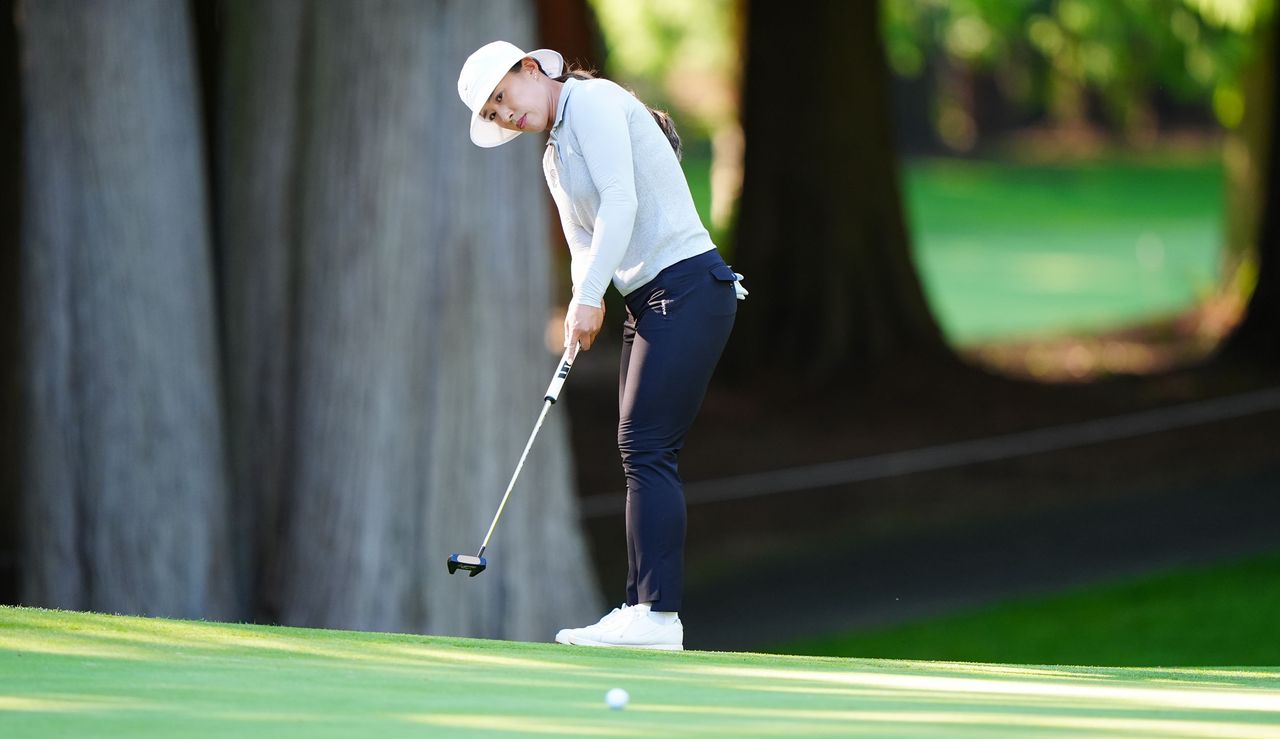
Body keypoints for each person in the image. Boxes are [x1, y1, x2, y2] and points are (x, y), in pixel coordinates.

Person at [457, 40, 745, 651]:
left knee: (646, 447)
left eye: (504, 98)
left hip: (689, 286)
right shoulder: (554, 156)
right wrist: (578, 305)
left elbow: (621, 200)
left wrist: (591, 298)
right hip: (652, 299)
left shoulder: (592, 102)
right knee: (637, 447)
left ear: (531, 69)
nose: (507, 116)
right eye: (495, 114)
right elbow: (584, 244)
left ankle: (657, 615)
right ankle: (643, 605)